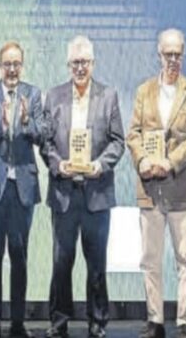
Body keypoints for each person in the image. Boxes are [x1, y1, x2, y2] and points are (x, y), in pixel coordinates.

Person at [41, 35, 125, 338]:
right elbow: (46, 142)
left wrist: (100, 165)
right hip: (64, 193)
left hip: (96, 193)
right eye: (75, 62)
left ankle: (97, 321)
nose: (80, 67)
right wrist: (57, 164)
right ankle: (59, 321)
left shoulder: (109, 95)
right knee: (62, 263)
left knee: (97, 264)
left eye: (85, 62)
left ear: (93, 63)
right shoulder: (53, 97)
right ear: (67, 64)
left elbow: (118, 141)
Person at [126, 29, 186, 338]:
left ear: (183, 55)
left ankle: (184, 323)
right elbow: (133, 134)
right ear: (158, 54)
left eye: (178, 54)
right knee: (150, 260)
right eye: (168, 54)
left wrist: (169, 162)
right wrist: (143, 160)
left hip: (180, 187)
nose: (173, 60)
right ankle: (155, 321)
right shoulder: (144, 91)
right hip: (150, 189)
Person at [0, 41, 44, 338]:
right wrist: (0, 126)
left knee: (19, 256)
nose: (12, 69)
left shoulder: (33, 94)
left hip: (23, 188)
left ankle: (17, 322)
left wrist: (26, 122)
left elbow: (42, 135)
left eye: (17, 63)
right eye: (7, 63)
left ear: (23, 65)